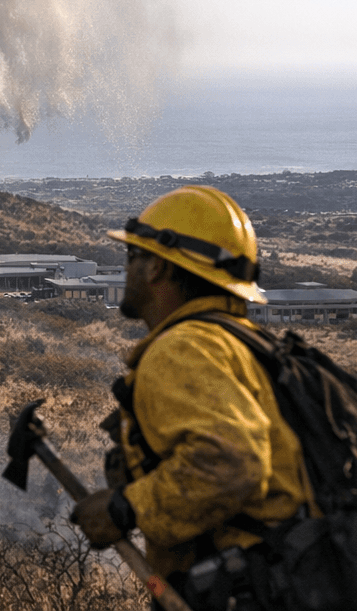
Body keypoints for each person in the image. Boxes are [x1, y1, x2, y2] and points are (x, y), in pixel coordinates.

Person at [70, 184, 312, 602]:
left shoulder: (182, 349)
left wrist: (125, 508)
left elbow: (234, 463)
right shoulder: (246, 346)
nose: (126, 267)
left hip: (251, 591)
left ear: (156, 267)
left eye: (132, 255)